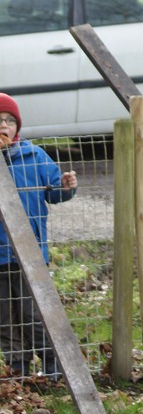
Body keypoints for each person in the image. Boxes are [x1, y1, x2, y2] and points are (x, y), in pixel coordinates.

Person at [0, 92, 77, 382]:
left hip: (31, 256)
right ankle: (17, 369)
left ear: (18, 127)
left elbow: (54, 191)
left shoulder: (34, 157)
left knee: (35, 314)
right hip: (0, 256)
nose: (4, 126)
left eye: (9, 121)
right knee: (6, 318)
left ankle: (51, 361)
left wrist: (66, 187)